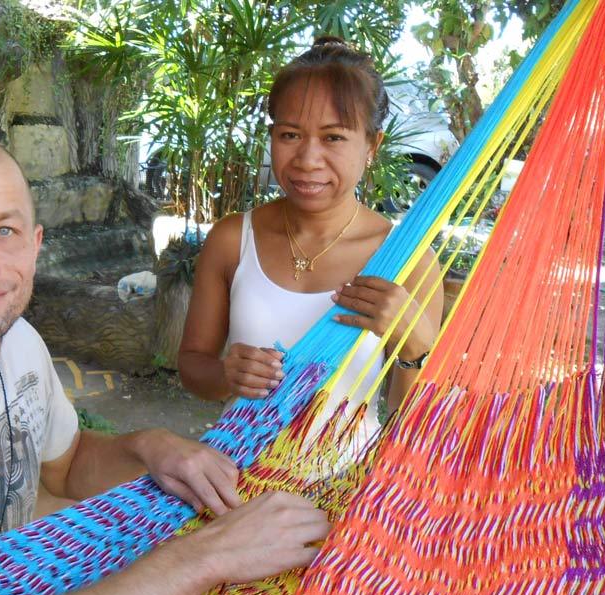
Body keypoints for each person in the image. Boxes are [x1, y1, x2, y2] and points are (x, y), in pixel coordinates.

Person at [0, 133, 330, 595]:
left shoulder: (19, 343)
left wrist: (147, 446)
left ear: (35, 244)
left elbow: (65, 466)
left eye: (4, 229)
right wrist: (209, 555)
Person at [178, 38, 444, 443]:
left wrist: (415, 350)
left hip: (344, 489)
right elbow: (194, 368)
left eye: (333, 138)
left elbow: (415, 430)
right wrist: (226, 375)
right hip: (233, 475)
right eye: (289, 135)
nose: (307, 159)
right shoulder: (233, 239)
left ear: (372, 145)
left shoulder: (407, 261)